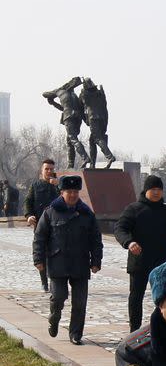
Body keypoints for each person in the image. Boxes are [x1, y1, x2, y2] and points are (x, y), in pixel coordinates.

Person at [32, 175, 103, 344]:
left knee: (80, 302)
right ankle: (54, 318)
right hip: (58, 263)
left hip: (80, 263)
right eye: (69, 191)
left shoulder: (87, 214)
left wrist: (96, 261)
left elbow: (96, 240)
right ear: (62, 192)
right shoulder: (50, 212)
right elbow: (40, 238)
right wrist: (38, 260)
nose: (72, 195)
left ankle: (76, 334)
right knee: (58, 297)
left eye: (75, 192)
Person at [114, 174, 166, 331]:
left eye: (159, 189)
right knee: (136, 297)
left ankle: (159, 327)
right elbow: (120, 228)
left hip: (161, 263)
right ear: (146, 190)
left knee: (162, 297)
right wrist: (129, 242)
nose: (157, 192)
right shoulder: (133, 209)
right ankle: (134, 330)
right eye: (153, 189)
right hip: (139, 261)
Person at [24, 159, 60, 292]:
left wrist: (58, 186)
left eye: (51, 169)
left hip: (57, 225)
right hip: (40, 224)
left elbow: (68, 200)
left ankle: (55, 281)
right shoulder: (35, 185)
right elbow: (28, 201)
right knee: (41, 253)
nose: (49, 171)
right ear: (42, 170)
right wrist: (28, 215)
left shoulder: (59, 185)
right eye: (47, 169)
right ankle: (44, 282)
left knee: (56, 253)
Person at [42, 77, 90, 168]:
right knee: (69, 141)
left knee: (73, 139)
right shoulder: (74, 96)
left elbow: (44, 94)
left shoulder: (60, 91)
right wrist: (53, 104)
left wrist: (53, 97)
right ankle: (70, 164)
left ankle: (85, 158)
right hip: (77, 118)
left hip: (69, 118)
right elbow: (65, 109)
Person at [79, 77, 116, 168]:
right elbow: (105, 107)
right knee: (92, 140)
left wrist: (86, 120)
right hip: (102, 119)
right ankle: (92, 164)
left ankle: (110, 156)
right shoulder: (100, 93)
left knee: (97, 138)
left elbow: (80, 107)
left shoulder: (84, 94)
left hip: (93, 119)